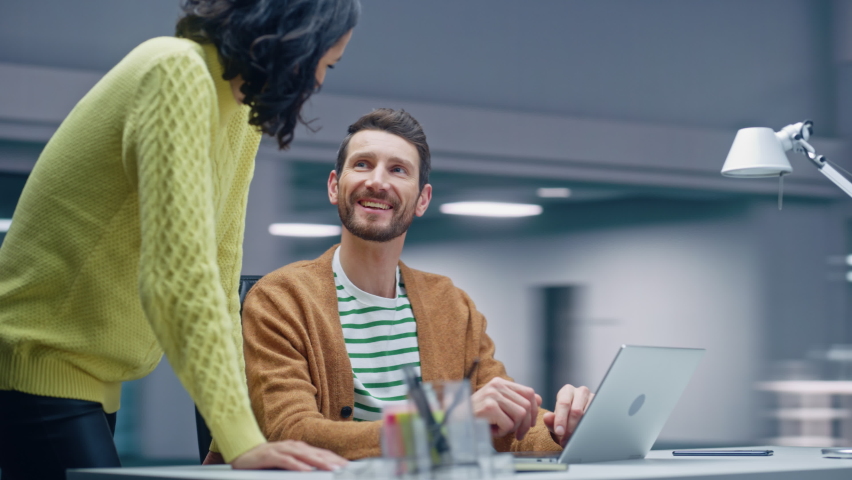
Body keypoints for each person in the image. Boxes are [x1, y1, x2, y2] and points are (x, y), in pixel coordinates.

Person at [0, 1, 359, 478]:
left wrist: (229, 432)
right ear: (291, 38)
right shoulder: (176, 71)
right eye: (325, 62)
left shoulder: (240, 115)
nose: (317, 80)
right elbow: (178, 279)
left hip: (89, 380)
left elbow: (220, 274)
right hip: (35, 364)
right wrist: (242, 439)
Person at [240, 108, 594, 459]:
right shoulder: (280, 299)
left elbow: (507, 429)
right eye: (362, 164)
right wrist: (445, 423)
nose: (377, 181)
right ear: (335, 186)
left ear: (422, 200)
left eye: (398, 170)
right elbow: (292, 433)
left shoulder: (450, 304)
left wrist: (564, 428)